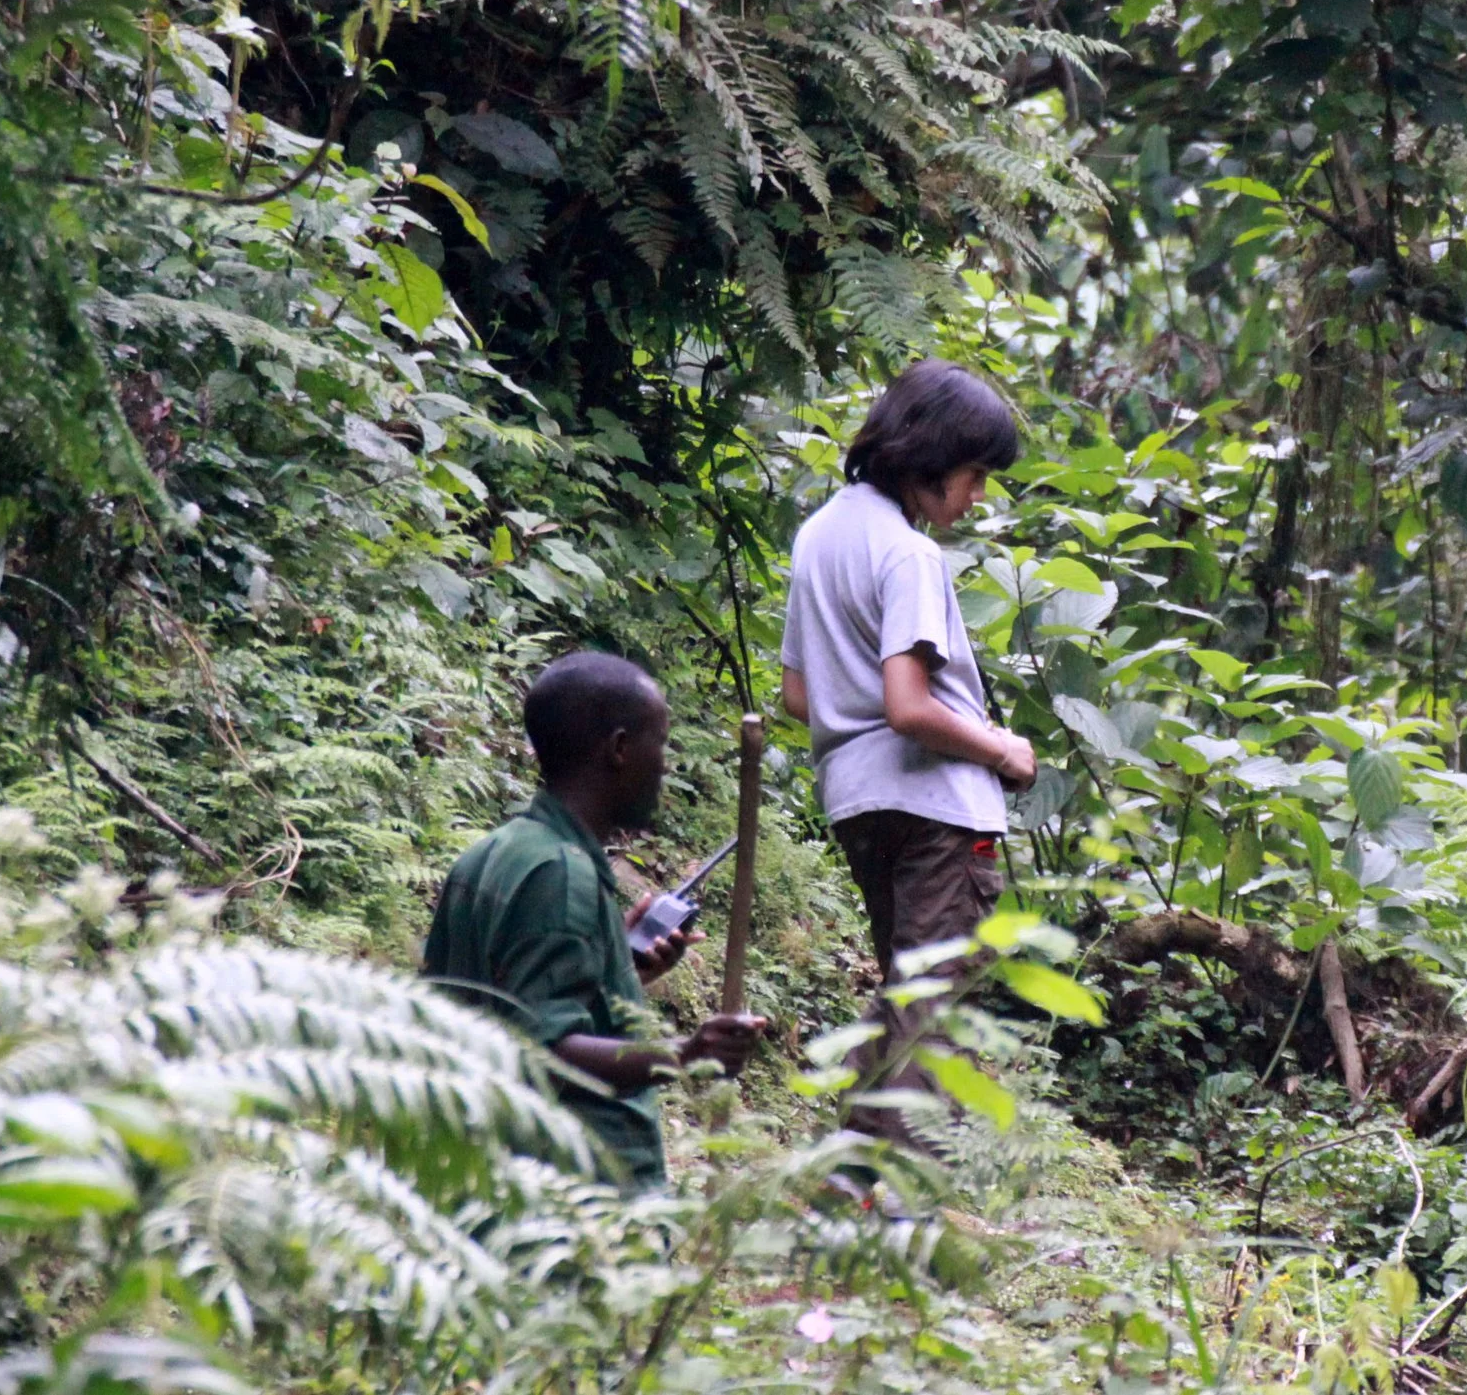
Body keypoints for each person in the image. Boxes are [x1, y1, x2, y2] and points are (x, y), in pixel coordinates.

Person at [779, 360, 1038, 1148]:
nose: (978, 494)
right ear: (928, 457)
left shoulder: (820, 533)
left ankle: (853, 1178)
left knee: (908, 992)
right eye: (974, 473)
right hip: (938, 812)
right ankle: (904, 1199)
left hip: (858, 803)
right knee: (934, 1010)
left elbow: (799, 694)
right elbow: (910, 705)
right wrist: (1003, 748)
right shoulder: (910, 554)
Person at [423, 650, 767, 1190]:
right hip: (575, 1201)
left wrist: (621, 968)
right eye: (661, 743)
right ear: (620, 749)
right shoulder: (560, 875)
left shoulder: (493, 854)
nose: (666, 765)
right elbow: (547, 1050)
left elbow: (501, 1005)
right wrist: (688, 1053)